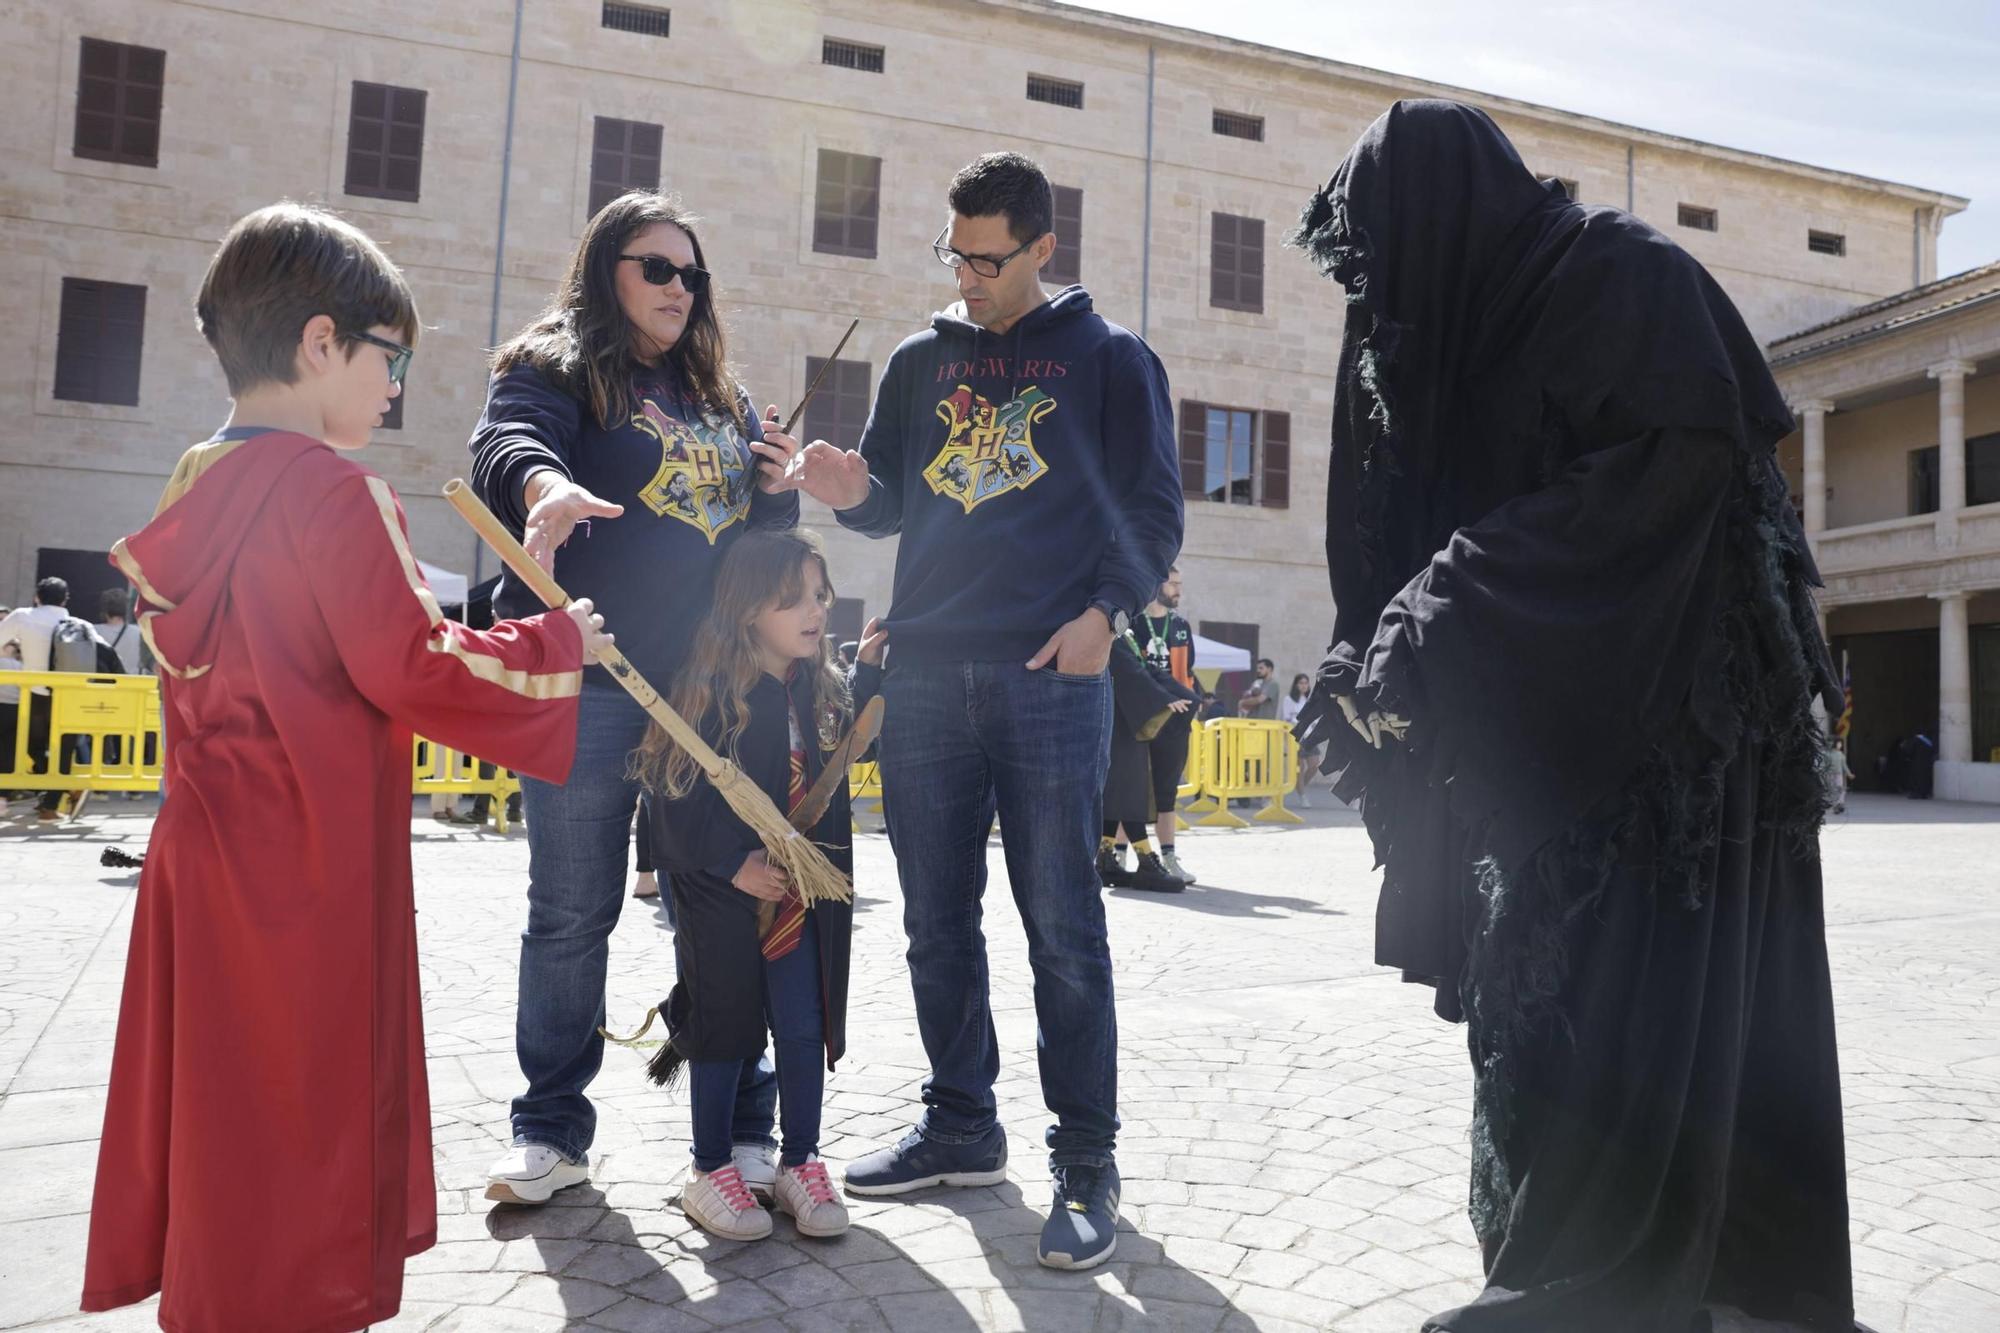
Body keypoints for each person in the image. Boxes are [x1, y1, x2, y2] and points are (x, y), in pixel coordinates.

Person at [1290, 101, 1853, 1332]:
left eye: (1384, 253)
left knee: (1648, 1011)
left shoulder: (1622, 280)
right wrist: (1365, 651)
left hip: (1679, 740)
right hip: (1557, 731)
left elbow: (1670, 473)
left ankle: (1611, 1285)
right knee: (1556, 1011)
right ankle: (1622, 1274)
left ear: (1444, 225)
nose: (1373, 294)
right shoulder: (1446, 331)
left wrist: (1449, 604)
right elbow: (1392, 522)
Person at [80, 202, 600, 1333]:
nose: (395, 387)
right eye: (390, 357)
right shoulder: (332, 489)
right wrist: (558, 643)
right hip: (307, 865)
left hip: (201, 853)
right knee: (306, 1117)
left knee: (224, 1109)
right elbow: (411, 665)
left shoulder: (193, 479)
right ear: (323, 342)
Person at [776, 151, 1182, 1269]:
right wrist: (839, 484)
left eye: (988, 258)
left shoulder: (1106, 359)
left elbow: (1151, 509)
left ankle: (1086, 1163)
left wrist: (1106, 615)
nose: (967, 276)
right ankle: (961, 1122)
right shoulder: (918, 358)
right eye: (953, 253)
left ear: (1044, 247)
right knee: (932, 921)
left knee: (1062, 927)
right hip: (921, 674)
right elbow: (889, 501)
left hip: (1050, 672)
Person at [469, 190, 796, 1205]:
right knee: (571, 911)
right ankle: (551, 1128)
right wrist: (543, 489)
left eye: (691, 273)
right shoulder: (553, 368)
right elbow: (506, 444)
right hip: (594, 684)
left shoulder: (722, 398)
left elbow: (755, 551)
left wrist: (777, 483)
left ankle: (745, 1126)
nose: (677, 287)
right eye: (655, 267)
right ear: (604, 267)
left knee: (725, 908)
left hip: (709, 697)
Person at [636, 530, 869, 1242]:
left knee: (802, 1026)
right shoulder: (706, 692)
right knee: (726, 1029)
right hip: (724, 895)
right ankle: (711, 1168)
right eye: (790, 598)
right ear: (744, 609)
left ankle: (800, 1159)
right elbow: (669, 793)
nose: (813, 610)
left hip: (801, 900)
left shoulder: (822, 688)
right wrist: (732, 862)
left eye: (820, 596)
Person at [1097, 631, 1194, 893]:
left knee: (1120, 791)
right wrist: (1162, 699)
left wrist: (1176, 693)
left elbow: (1143, 668)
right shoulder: (1110, 627)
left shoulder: (1125, 631)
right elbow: (1129, 671)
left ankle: (1105, 858)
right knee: (1128, 789)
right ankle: (1145, 861)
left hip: (1126, 717)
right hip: (1120, 717)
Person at [1129, 566, 1199, 883]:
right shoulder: (1132, 625)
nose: (1179, 590)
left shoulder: (1182, 626)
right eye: (1173, 584)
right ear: (1157, 585)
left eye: (1181, 584)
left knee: (1167, 792)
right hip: (1141, 718)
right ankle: (1118, 855)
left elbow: (1188, 673)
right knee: (1129, 790)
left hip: (1175, 722)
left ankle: (1169, 858)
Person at [1279, 672, 1318, 808]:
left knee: (1314, 766)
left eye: (1306, 683)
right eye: (1301, 683)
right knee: (1299, 768)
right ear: (1296, 685)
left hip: (1310, 737)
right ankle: (1302, 796)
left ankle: (1300, 787)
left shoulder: (1311, 699)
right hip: (1296, 737)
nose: (1304, 686)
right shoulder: (1289, 699)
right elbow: (1287, 718)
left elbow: (1316, 717)